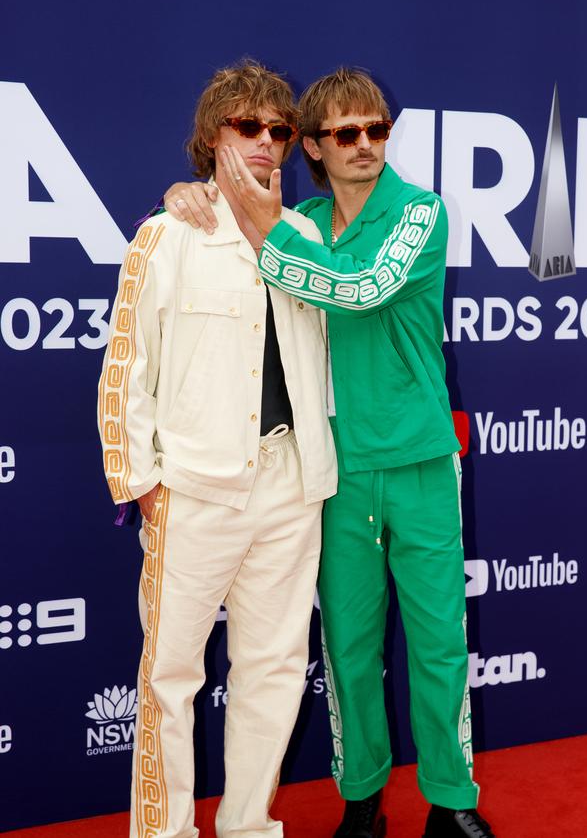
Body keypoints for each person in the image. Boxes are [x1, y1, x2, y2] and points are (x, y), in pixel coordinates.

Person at [164, 67, 495, 838]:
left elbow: (362, 286)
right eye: (346, 133)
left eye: (377, 129)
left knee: (441, 645)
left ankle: (452, 801)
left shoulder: (420, 213)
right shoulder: (306, 221)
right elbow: (217, 229)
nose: (367, 146)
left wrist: (265, 232)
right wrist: (181, 199)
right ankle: (363, 797)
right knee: (348, 650)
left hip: (419, 463)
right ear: (312, 145)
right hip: (338, 473)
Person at [97, 60, 337, 838]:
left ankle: (246, 826)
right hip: (192, 491)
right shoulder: (166, 234)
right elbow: (125, 367)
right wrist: (142, 485)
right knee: (169, 678)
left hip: (291, 487)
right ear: (212, 139)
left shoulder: (309, 238)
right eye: (247, 127)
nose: (266, 142)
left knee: (271, 673)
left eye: (279, 130)